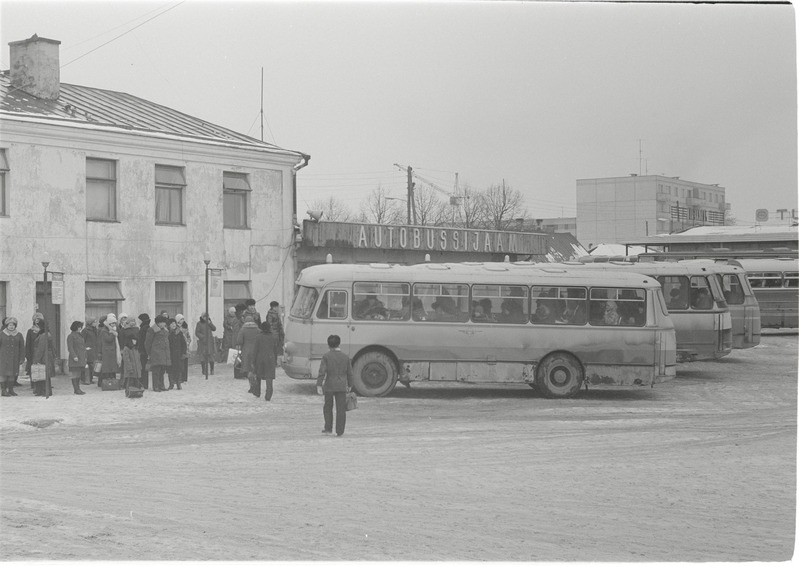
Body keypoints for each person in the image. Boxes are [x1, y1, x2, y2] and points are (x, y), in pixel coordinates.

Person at [316, 334, 354, 437]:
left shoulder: (326, 356)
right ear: (339, 343)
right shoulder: (345, 357)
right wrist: (350, 384)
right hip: (342, 386)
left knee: (328, 407)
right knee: (341, 409)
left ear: (328, 345)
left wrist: (319, 384)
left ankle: (328, 428)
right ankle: (339, 431)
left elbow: (322, 371)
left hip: (329, 385)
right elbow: (350, 373)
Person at [236, 315, 261, 395]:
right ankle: (256, 384)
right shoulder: (257, 329)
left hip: (246, 351)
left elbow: (239, 341)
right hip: (256, 351)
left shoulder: (243, 330)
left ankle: (252, 386)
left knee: (249, 369)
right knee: (255, 369)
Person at [252, 321, 278, 400]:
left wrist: (253, 361)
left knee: (258, 375)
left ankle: (257, 392)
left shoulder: (258, 337)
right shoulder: (273, 337)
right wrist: (275, 359)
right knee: (269, 377)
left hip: (260, 358)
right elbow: (275, 349)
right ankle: (268, 395)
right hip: (270, 358)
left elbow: (255, 350)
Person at [31, 319, 57, 397]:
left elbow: (41, 349)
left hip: (44, 357)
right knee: (44, 374)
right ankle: (42, 391)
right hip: (46, 356)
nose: (34, 328)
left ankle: (45, 391)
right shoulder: (43, 334)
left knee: (44, 374)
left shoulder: (44, 335)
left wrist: (36, 360)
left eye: (36, 327)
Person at [0, 317, 25, 397]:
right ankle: (3, 390)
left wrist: (22, 358)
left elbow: (22, 347)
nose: (11, 326)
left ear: (15, 326)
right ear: (7, 325)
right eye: (10, 325)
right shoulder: (1, 334)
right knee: (3, 374)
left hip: (14, 358)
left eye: (13, 325)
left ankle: (11, 390)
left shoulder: (19, 335)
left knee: (12, 374)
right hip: (3, 358)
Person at [145, 315, 170, 392]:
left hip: (163, 353)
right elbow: (147, 342)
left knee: (162, 371)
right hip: (155, 353)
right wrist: (149, 353)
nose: (164, 324)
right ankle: (155, 386)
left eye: (164, 322)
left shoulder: (165, 330)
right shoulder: (152, 330)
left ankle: (161, 385)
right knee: (156, 371)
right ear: (158, 323)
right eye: (162, 322)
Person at [98, 313, 121, 387]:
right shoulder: (104, 330)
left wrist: (113, 332)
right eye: (112, 323)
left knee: (112, 367)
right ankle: (105, 383)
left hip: (111, 351)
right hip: (107, 352)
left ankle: (112, 382)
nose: (114, 325)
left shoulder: (110, 330)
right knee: (107, 368)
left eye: (115, 323)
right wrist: (113, 333)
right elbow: (108, 339)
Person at [66, 321, 87, 395]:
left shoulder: (79, 335)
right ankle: (76, 389)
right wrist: (74, 356)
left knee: (78, 373)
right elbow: (70, 348)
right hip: (75, 358)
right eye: (79, 327)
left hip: (81, 357)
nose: (80, 328)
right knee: (74, 374)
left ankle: (78, 388)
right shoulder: (71, 336)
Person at [24, 313, 44, 388]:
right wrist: (27, 354)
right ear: (34, 321)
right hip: (33, 353)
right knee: (33, 369)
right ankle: (34, 384)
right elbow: (28, 343)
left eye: (39, 320)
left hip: (42, 353)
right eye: (36, 320)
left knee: (42, 368)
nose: (37, 321)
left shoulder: (44, 330)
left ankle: (42, 384)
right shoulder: (30, 331)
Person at [81, 317, 100, 385]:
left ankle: (90, 379)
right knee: (87, 365)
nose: (95, 323)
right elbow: (82, 340)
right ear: (90, 323)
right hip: (88, 350)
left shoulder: (95, 330)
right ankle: (85, 380)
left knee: (92, 365)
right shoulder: (85, 330)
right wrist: (85, 348)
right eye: (94, 322)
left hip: (94, 349)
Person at [167, 319, 185, 390]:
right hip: (170, 354)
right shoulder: (167, 333)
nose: (173, 325)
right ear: (169, 325)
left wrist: (183, 352)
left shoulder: (179, 333)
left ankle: (178, 383)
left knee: (178, 369)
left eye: (174, 323)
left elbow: (183, 343)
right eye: (172, 324)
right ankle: (171, 384)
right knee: (170, 370)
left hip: (178, 354)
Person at [175, 314, 191, 382]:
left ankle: (184, 377)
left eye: (183, 319)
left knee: (185, 363)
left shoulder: (185, 327)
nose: (182, 320)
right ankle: (180, 377)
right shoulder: (176, 327)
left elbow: (189, 336)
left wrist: (187, 342)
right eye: (181, 319)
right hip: (179, 347)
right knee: (180, 363)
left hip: (186, 347)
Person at [137, 313, 151, 389]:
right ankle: (144, 384)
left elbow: (144, 341)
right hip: (144, 350)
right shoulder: (145, 327)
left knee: (143, 368)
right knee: (144, 368)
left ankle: (143, 384)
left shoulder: (144, 328)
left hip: (143, 351)